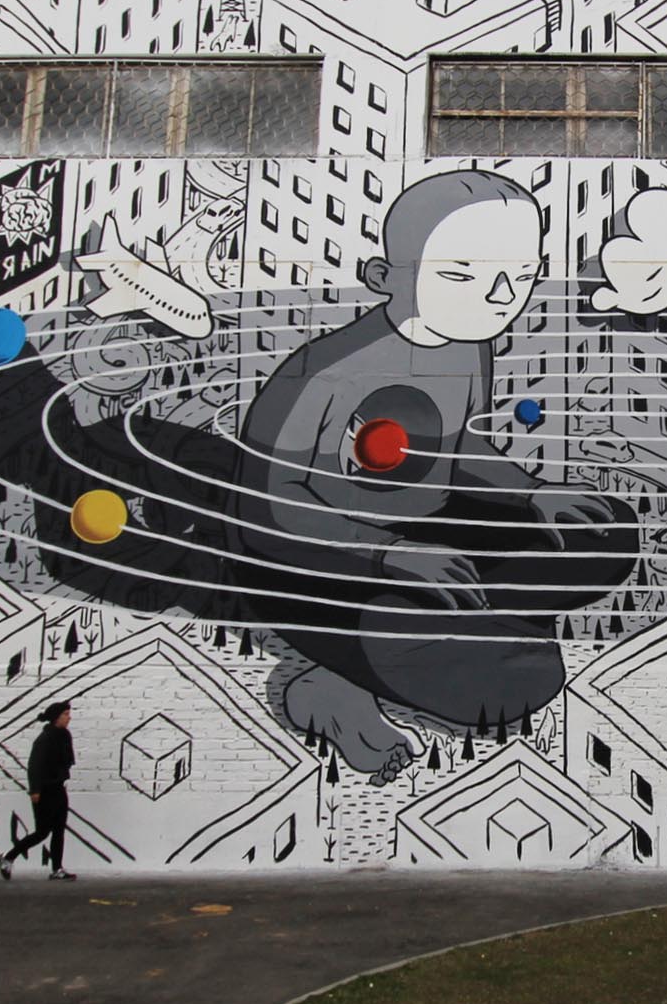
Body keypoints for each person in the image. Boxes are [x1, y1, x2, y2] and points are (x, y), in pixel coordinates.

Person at [233, 170, 638, 726]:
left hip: (430, 528)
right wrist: (390, 553)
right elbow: (266, 511)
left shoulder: (468, 343)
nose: (501, 297)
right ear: (384, 277)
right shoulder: (321, 373)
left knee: (604, 527)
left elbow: (459, 443)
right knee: (515, 689)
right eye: (462, 275)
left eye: (522, 276)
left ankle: (463, 615)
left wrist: (531, 494)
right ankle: (379, 652)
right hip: (330, 560)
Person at [0, 701, 77, 882]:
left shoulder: (64, 735)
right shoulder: (44, 739)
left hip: (59, 788)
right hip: (45, 791)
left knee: (59, 830)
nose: (69, 717)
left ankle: (57, 869)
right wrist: (35, 791)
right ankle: (8, 857)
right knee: (42, 832)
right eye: (65, 714)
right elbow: (34, 766)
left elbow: (66, 761)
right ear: (56, 717)